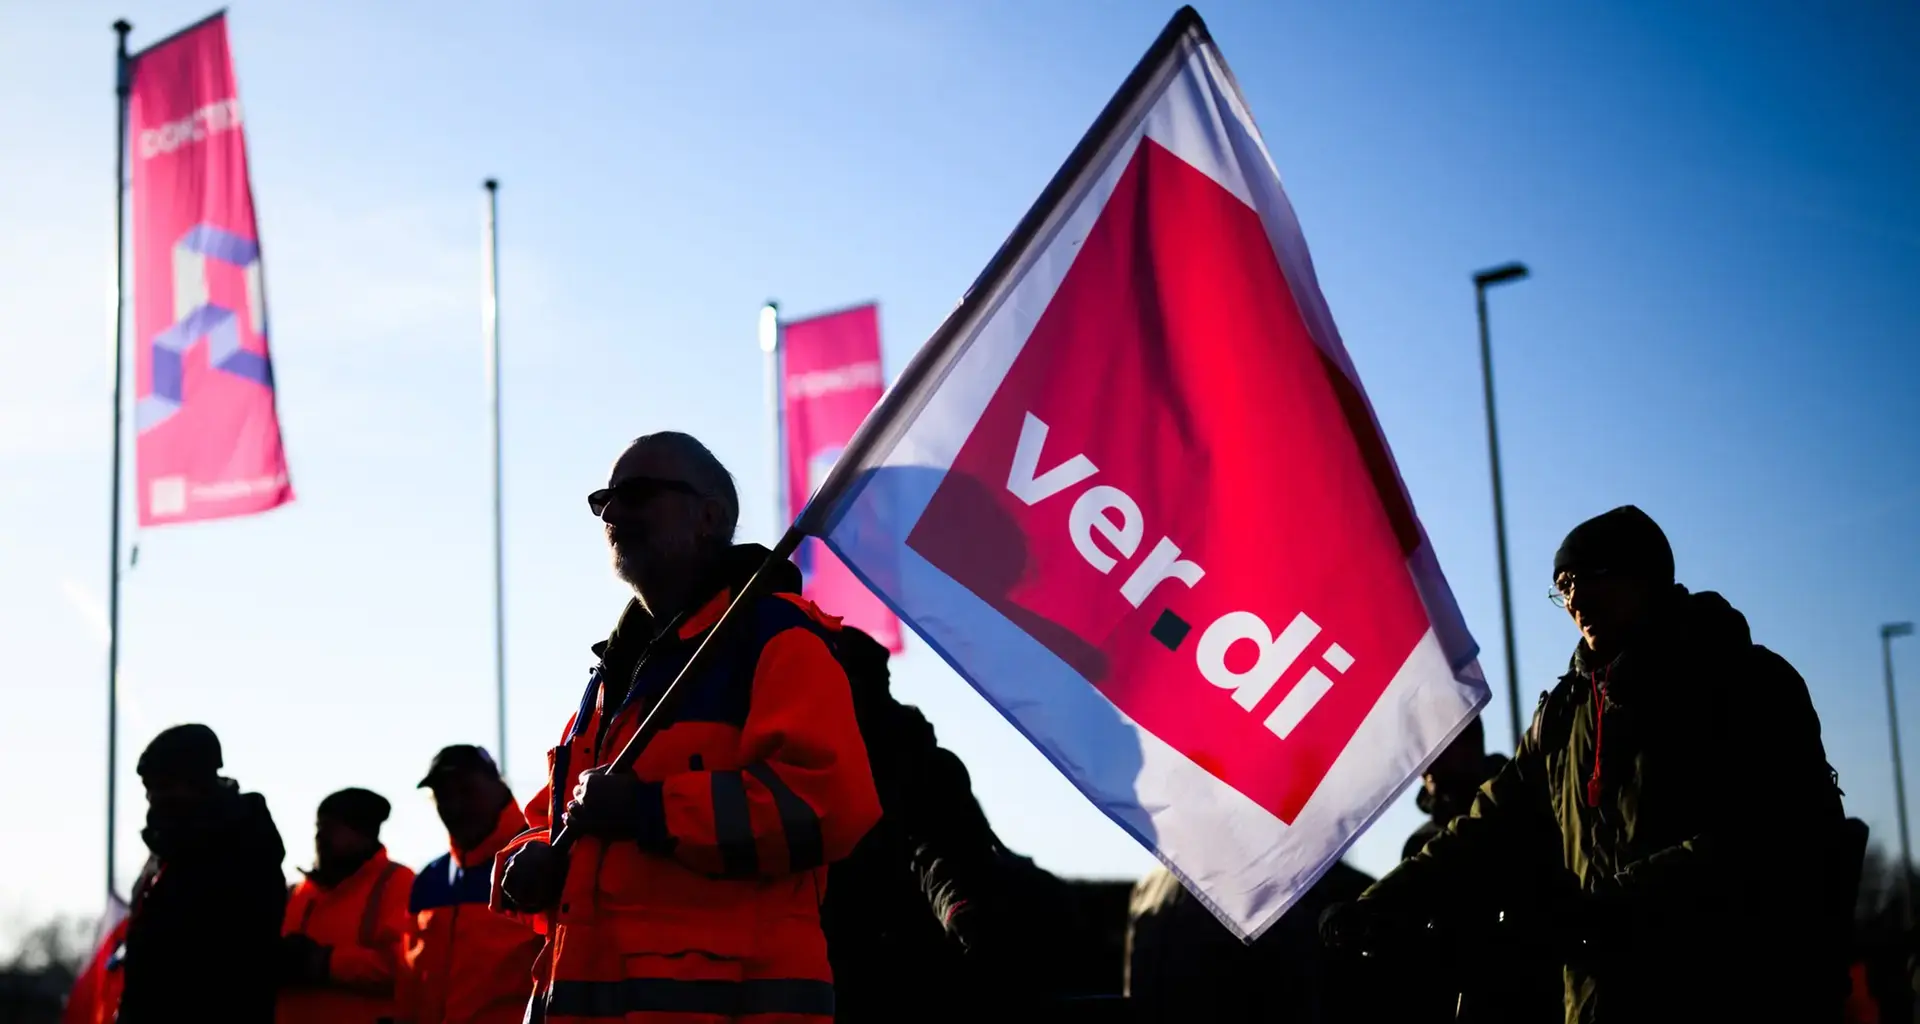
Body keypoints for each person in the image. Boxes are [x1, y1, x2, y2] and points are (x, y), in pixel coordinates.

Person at [1322, 505, 1851, 1023]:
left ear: (1642, 575)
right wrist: (1380, 903)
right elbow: (1483, 829)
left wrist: (1597, 913)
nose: (1573, 599)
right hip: (1597, 1000)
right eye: (1563, 585)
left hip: (1729, 992)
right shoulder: (1564, 717)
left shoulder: (1742, 682)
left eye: (1585, 577)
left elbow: (1766, 840)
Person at [491, 431, 882, 1023]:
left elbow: (828, 803)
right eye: (605, 500)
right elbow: (552, 821)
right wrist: (527, 861)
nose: (614, 512)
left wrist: (648, 809)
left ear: (708, 517)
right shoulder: (610, 677)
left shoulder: (775, 639)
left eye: (639, 494)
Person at [118, 723, 287, 1023]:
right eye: (149, 788)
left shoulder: (243, 851)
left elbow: (228, 965)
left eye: (162, 786)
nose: (152, 799)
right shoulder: (171, 851)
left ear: (195, 783)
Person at [400, 745, 542, 1024]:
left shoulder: (540, 861)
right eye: (442, 794)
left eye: (466, 790)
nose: (454, 804)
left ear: (498, 787)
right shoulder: (430, 879)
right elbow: (409, 985)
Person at [277, 787, 415, 1024]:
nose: (321, 836)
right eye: (319, 827)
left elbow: (405, 968)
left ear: (365, 833)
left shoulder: (397, 883)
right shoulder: (298, 893)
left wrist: (323, 962)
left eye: (332, 828)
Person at [1401, 716, 1509, 862]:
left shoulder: (1524, 810)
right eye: (1420, 750)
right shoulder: (1419, 846)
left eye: (1436, 745)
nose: (1426, 765)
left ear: (1471, 743)